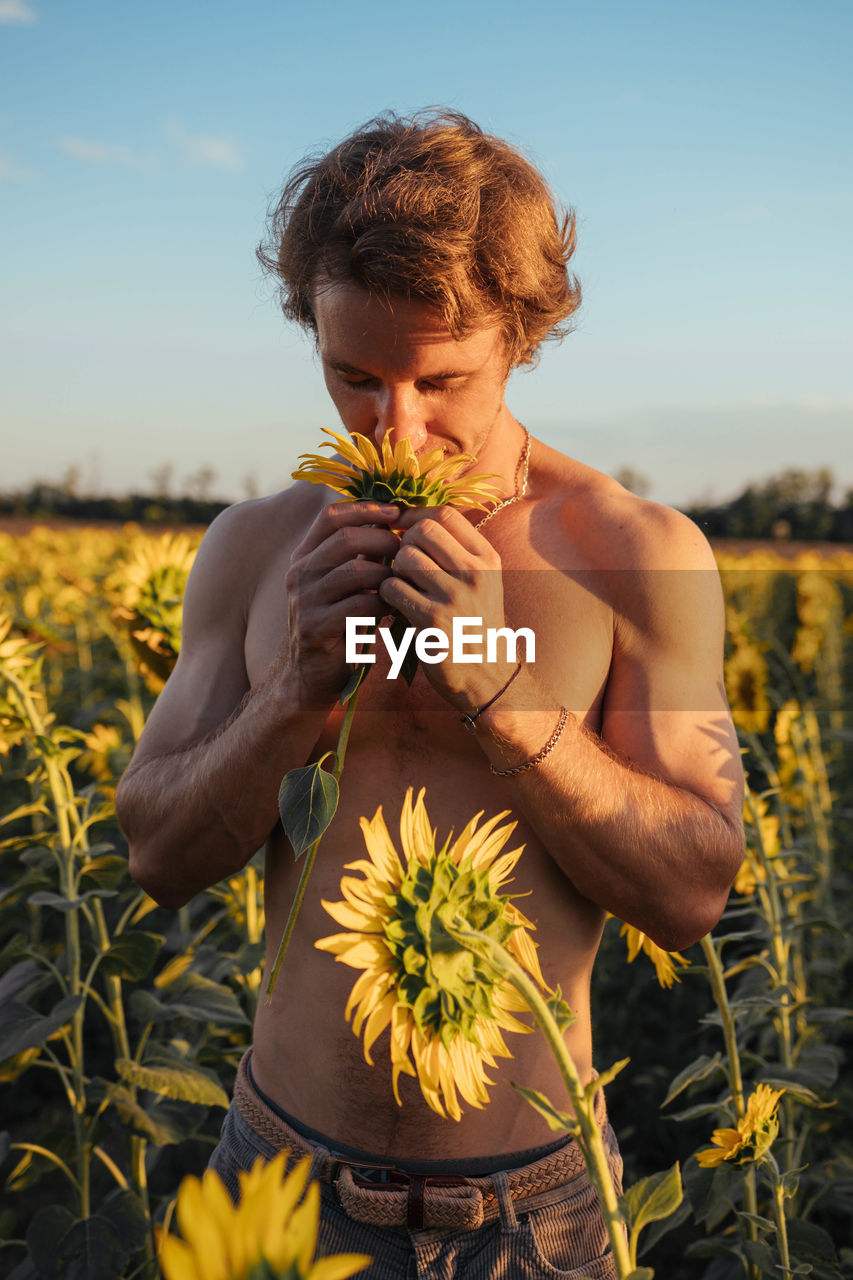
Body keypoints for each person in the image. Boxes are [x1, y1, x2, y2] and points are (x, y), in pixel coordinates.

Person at [116, 109, 744, 1277]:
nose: (393, 424)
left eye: (439, 378)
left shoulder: (632, 550)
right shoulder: (255, 549)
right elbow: (156, 853)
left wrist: (501, 690)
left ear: (520, 336)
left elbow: (692, 888)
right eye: (352, 375)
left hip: (534, 1217)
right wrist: (293, 689)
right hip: (275, 1178)